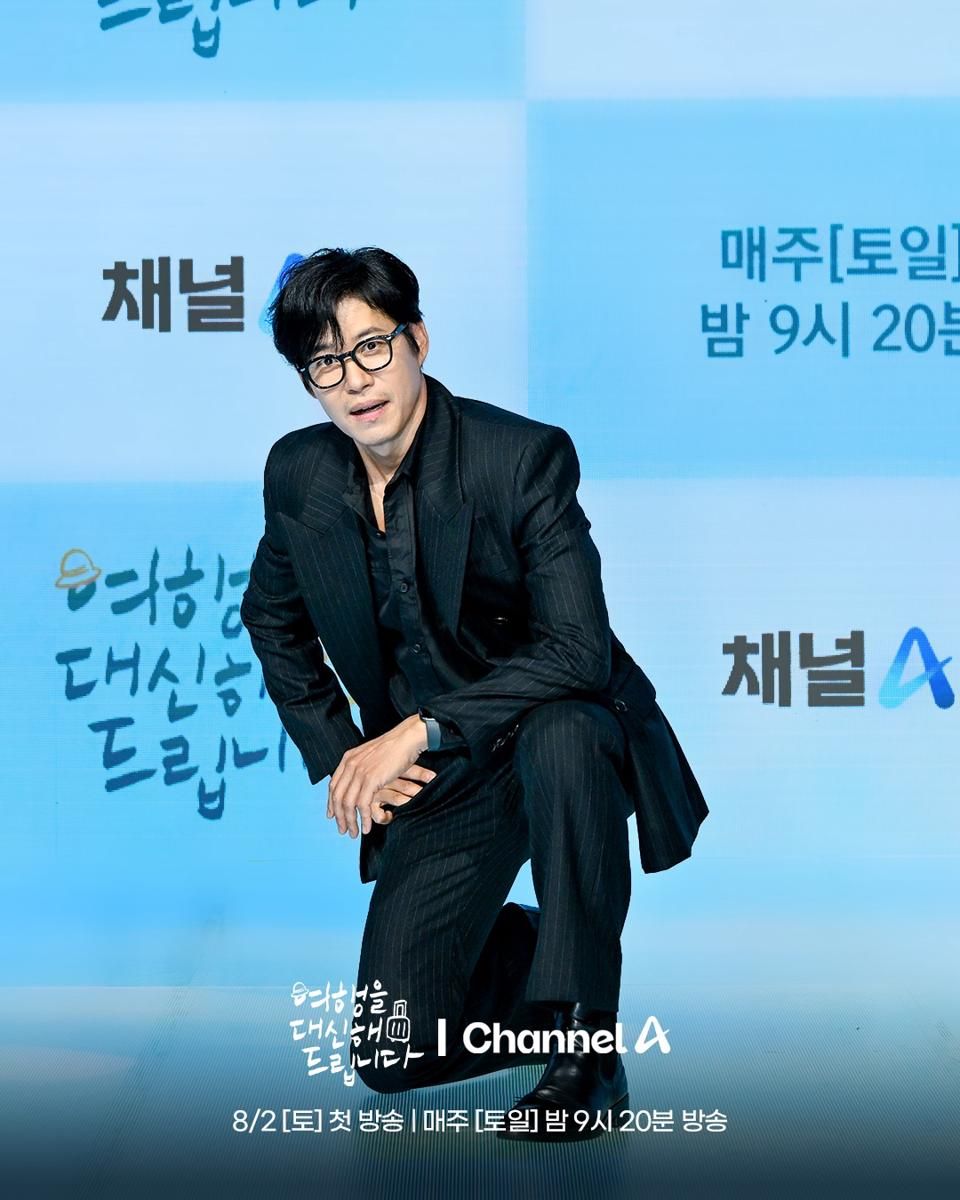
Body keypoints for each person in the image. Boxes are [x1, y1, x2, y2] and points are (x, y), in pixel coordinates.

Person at [239, 246, 708, 1143]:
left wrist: (417, 729)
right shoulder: (299, 474)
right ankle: (550, 951)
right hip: (447, 768)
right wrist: (344, 750)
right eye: (326, 363)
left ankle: (584, 1043)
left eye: (372, 346)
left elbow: (578, 650)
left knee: (565, 734)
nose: (354, 380)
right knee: (392, 1054)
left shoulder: (519, 458)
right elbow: (272, 617)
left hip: (555, 725)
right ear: (308, 382)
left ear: (417, 340)